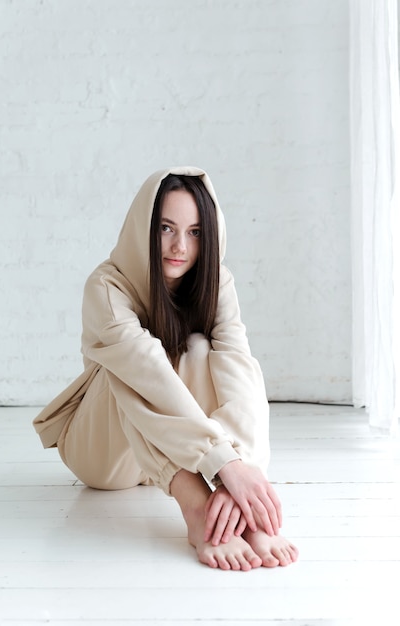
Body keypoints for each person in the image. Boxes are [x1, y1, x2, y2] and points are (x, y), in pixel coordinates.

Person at [33, 166, 298, 571]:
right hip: (106, 455)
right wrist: (219, 461)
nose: (179, 246)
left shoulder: (217, 283)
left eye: (194, 232)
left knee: (198, 347)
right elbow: (151, 377)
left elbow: (240, 371)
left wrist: (239, 468)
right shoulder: (107, 287)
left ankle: (234, 511)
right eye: (165, 228)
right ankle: (196, 507)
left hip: (177, 447)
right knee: (128, 368)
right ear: (145, 228)